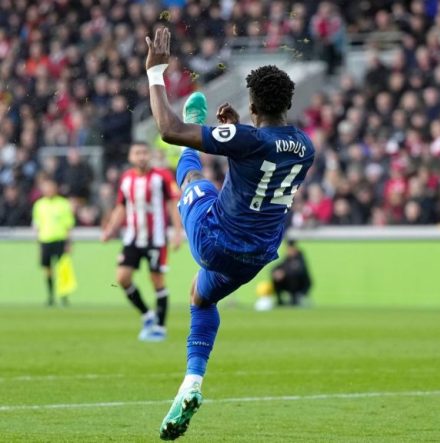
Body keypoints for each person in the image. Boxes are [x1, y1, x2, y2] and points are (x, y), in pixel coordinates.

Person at [144, 27, 315, 440]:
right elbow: (262, 158)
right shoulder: (306, 147)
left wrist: (155, 72)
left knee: (193, 180)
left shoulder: (250, 138)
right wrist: (237, 131)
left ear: (251, 104)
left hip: (214, 238)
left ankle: (196, 128)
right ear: (288, 104)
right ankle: (191, 383)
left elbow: (167, 128)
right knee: (200, 297)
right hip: (256, 256)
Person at [101, 141, 182, 342]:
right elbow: (121, 207)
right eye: (137, 153)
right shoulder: (126, 178)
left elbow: (172, 204)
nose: (141, 156)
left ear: (150, 155)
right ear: (131, 157)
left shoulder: (162, 176)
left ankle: (160, 328)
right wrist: (110, 229)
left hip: (156, 239)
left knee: (157, 281)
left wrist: (177, 232)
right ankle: (147, 315)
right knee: (122, 278)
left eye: (144, 152)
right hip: (133, 238)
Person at [31, 175, 75, 306]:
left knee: (63, 270)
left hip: (60, 240)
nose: (49, 190)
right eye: (46, 188)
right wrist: (38, 245)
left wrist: (68, 243)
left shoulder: (63, 204)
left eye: (51, 188)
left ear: (55, 189)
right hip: (45, 240)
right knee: (48, 269)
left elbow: (68, 225)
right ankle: (50, 296)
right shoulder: (39, 205)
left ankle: (64, 296)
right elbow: (37, 226)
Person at [271, 239, 312, 306]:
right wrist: (276, 272)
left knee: (293, 276)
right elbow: (278, 267)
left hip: (301, 284)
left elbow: (300, 271)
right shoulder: (288, 258)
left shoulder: (299, 257)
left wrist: (284, 273)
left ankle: (294, 300)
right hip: (288, 283)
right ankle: (280, 300)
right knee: (276, 277)